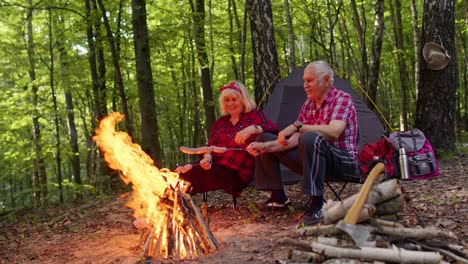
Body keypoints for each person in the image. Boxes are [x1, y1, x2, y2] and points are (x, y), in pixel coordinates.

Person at [246, 60, 358, 226]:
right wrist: (266, 147)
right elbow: (293, 140)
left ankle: (317, 204)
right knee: (264, 138)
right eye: (304, 80)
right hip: (313, 159)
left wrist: (298, 126)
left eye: (309, 80)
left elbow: (334, 132)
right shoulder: (308, 104)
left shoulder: (342, 99)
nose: (305, 85)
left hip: (342, 162)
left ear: (326, 80)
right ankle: (278, 197)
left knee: (311, 137)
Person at [175, 81, 279, 196]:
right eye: (226, 100)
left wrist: (251, 129)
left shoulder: (254, 116)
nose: (230, 104)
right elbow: (209, 148)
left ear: (243, 100)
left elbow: (273, 129)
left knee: (193, 174)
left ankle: (176, 203)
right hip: (214, 166)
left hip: (236, 174)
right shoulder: (220, 123)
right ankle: (168, 206)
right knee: (178, 170)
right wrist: (207, 158)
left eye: (234, 100)